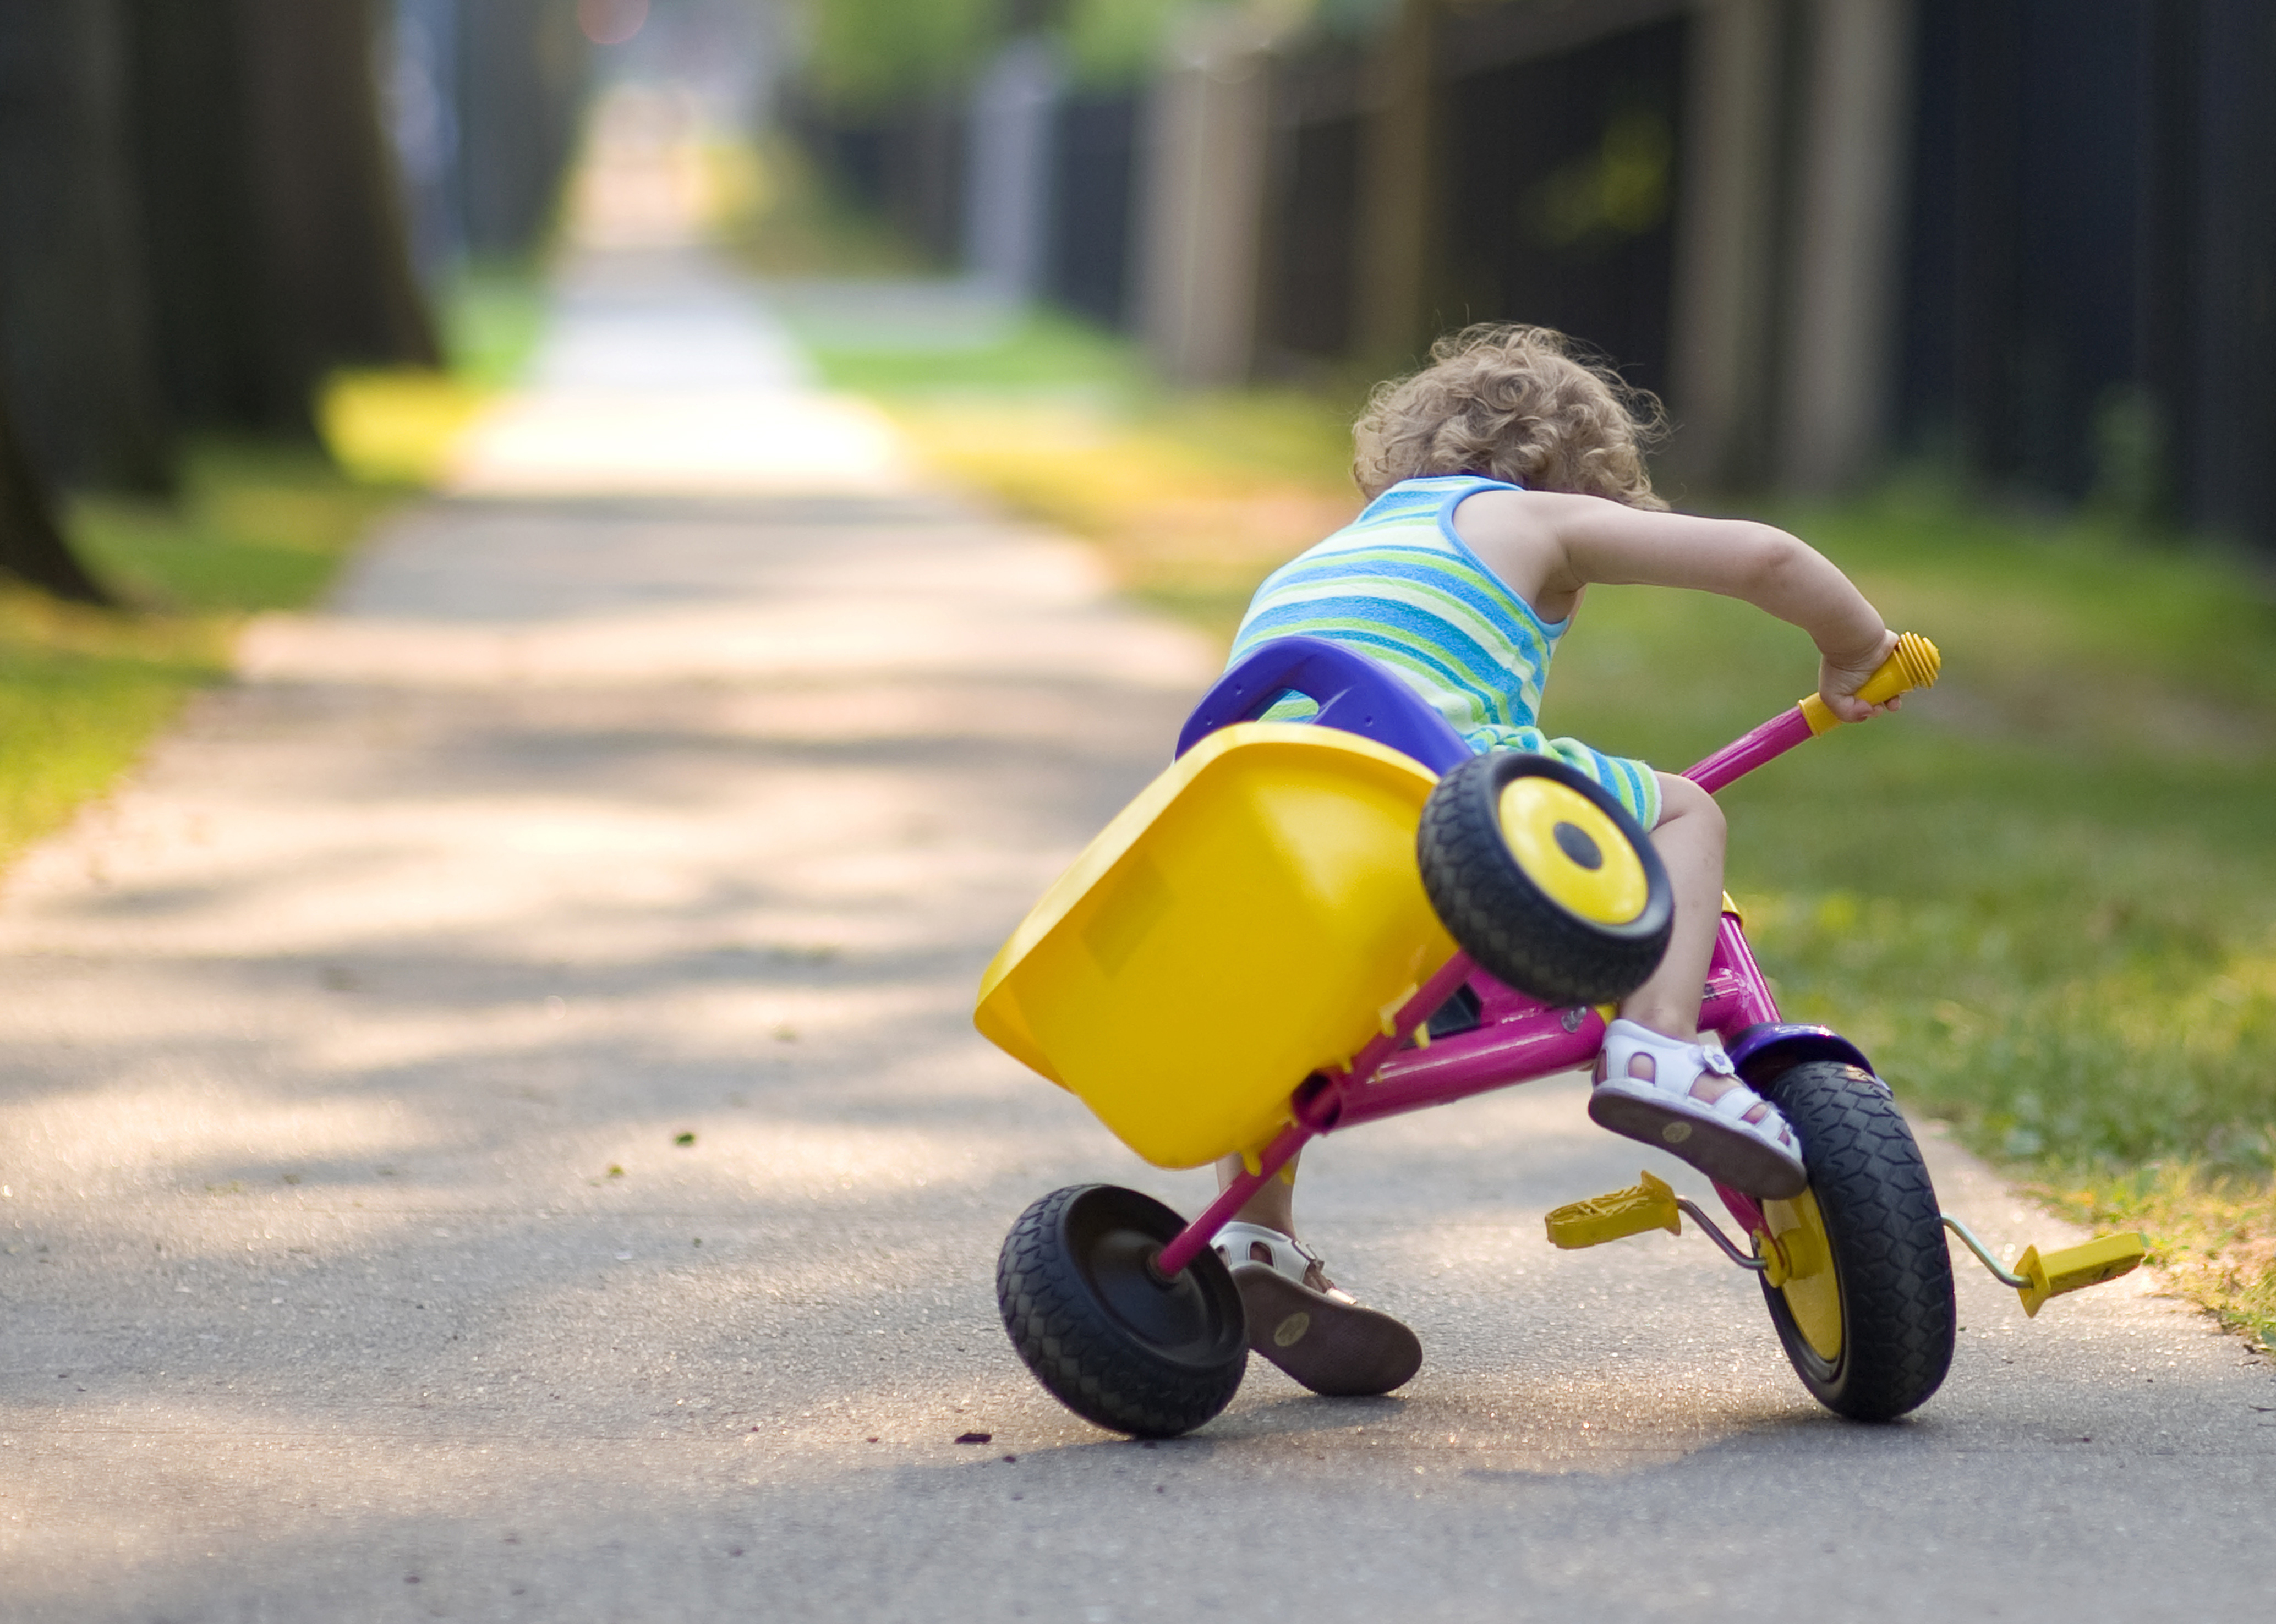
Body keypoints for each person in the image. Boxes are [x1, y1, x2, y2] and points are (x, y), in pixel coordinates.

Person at [1208, 323, 1900, 1398]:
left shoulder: (1315, 561)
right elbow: (1765, 557)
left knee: (1277, 1045)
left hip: (1273, 845)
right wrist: (1856, 651)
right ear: (1581, 482)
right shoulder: (1527, 515)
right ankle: (1661, 1044)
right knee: (1683, 812)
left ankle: (1250, 1237)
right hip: (1437, 801)